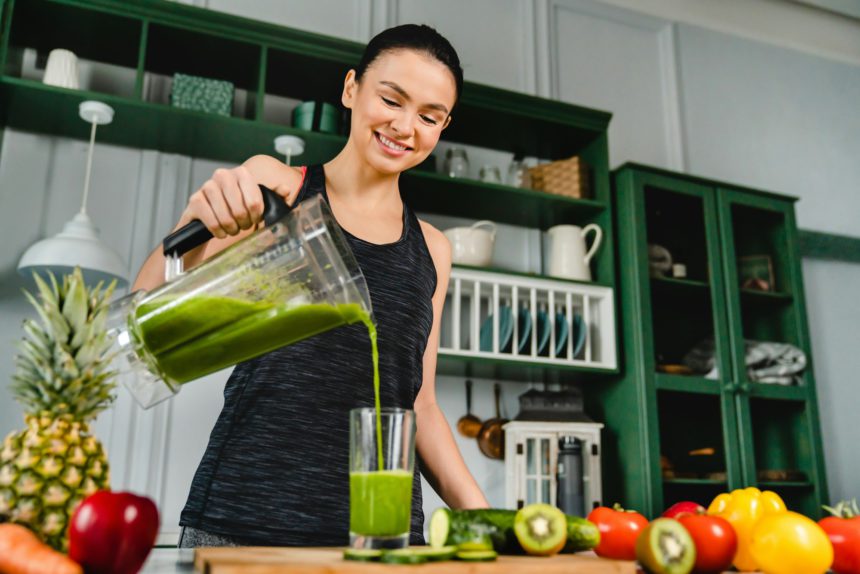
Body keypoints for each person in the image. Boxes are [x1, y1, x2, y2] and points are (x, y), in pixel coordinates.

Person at [133, 24, 489, 547]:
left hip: (381, 538)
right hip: (244, 521)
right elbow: (148, 318)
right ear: (351, 89)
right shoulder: (278, 188)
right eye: (391, 99)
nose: (405, 126)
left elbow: (421, 407)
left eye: (429, 117)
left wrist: (490, 520)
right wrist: (194, 226)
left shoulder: (433, 248)